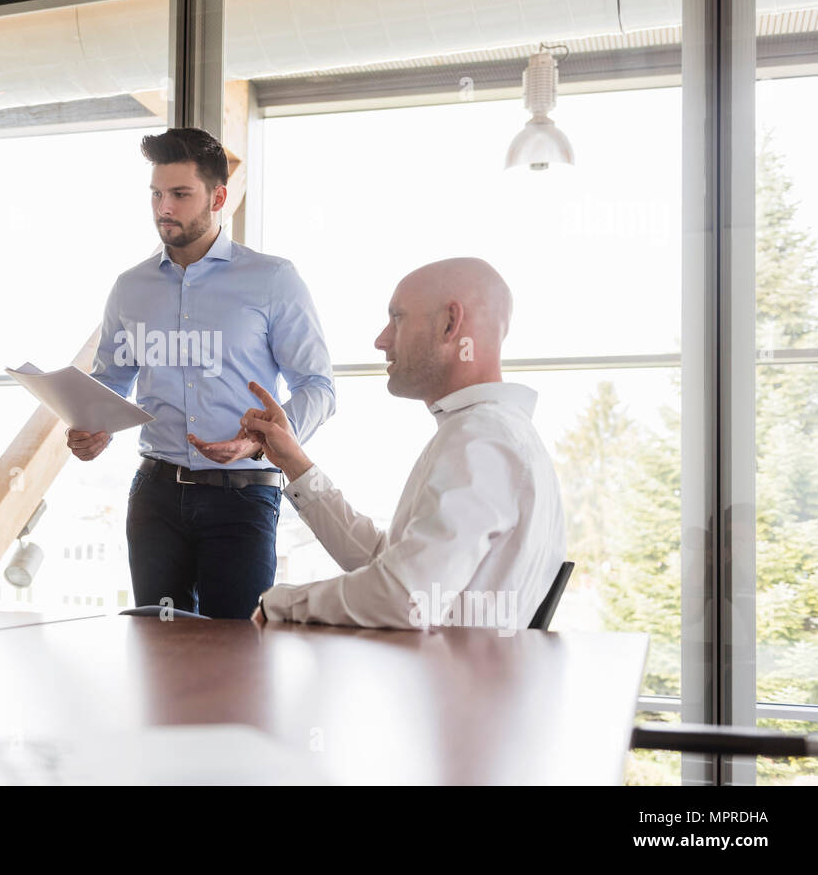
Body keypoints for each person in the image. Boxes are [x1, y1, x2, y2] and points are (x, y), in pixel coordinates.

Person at [68, 127, 335, 619]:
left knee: (237, 652)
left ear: (218, 197)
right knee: (157, 648)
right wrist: (92, 427)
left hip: (243, 496)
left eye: (179, 194)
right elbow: (110, 381)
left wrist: (264, 440)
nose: (163, 208)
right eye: (156, 194)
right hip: (154, 496)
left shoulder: (273, 279)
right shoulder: (130, 287)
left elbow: (318, 387)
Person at [240, 257, 566, 630]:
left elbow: (406, 596)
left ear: (449, 324)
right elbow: (388, 564)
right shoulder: (489, 432)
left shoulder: (480, 440)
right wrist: (294, 463)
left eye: (397, 318)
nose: (381, 340)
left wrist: (282, 602)